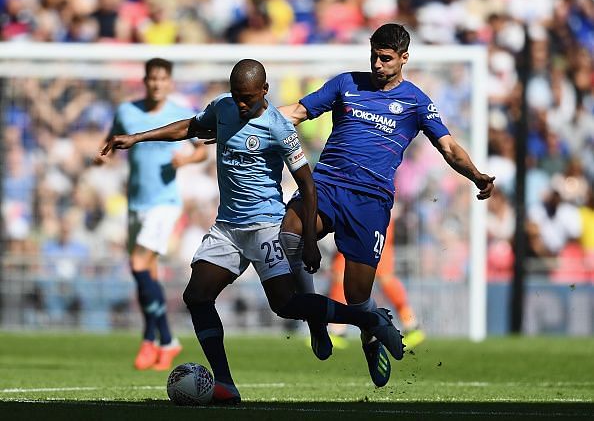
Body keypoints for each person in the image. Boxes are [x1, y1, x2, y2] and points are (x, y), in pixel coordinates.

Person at [102, 59, 405, 404]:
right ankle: (226, 384)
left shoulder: (279, 128)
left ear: (264, 91)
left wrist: (308, 241)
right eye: (237, 96)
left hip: (265, 226)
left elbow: (307, 186)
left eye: (248, 98)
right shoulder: (223, 107)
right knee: (196, 297)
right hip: (228, 227)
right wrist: (138, 138)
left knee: (286, 305)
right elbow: (190, 127)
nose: (241, 104)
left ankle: (367, 318)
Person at [278, 23, 495, 388]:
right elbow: (297, 112)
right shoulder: (346, 83)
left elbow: (448, 148)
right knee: (290, 235)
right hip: (328, 184)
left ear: (403, 58)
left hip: (371, 201)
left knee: (357, 295)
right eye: (373, 56)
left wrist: (476, 175)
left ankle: (369, 333)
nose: (377, 64)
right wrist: (250, 118)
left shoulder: (416, 101)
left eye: (386, 58)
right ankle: (316, 318)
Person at [96, 58, 208, 371]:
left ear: (169, 82)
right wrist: (102, 157)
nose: (157, 84)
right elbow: (111, 141)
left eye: (162, 79)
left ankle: (162, 339)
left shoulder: (179, 115)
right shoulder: (126, 112)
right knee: (146, 273)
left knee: (138, 262)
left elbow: (201, 149)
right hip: (136, 202)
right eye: (152, 79)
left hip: (164, 202)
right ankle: (157, 340)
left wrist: (186, 160)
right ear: (145, 81)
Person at [328, 219, 426, 350]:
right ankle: (337, 330)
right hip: (352, 220)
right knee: (340, 273)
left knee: (385, 276)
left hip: (375, 218)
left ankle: (411, 324)